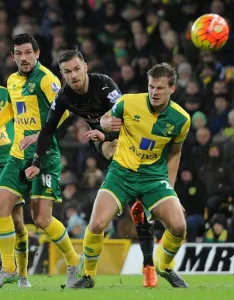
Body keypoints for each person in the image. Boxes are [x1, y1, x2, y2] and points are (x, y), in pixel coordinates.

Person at [25, 49, 158, 288]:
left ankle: (148, 261)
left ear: (85, 67)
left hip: (131, 137)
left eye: (77, 69)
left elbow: (129, 119)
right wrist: (36, 161)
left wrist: (106, 132)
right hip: (106, 141)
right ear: (62, 75)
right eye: (67, 72)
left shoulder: (104, 85)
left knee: (134, 192)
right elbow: (48, 129)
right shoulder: (65, 96)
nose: (73, 75)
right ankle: (125, 195)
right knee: (114, 153)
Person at [66, 62, 190, 288]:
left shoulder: (181, 120)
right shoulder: (128, 102)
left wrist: (171, 189)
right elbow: (104, 119)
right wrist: (107, 123)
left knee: (179, 227)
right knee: (95, 225)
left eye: (160, 88)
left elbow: (175, 154)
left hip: (153, 177)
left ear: (172, 89)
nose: (154, 92)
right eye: (152, 86)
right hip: (121, 173)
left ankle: (164, 266)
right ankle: (89, 275)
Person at [0, 34, 82, 288]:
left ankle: (73, 259)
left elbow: (66, 109)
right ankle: (9, 269)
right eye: (18, 53)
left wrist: (40, 135)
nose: (23, 58)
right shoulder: (12, 81)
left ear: (36, 54)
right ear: (13, 56)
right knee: (1, 206)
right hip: (16, 156)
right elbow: (11, 111)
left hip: (45, 156)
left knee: (42, 219)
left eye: (27, 52)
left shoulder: (47, 79)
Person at [0, 86, 31, 288]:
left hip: (8, 163)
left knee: (18, 222)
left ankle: (22, 275)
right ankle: (7, 268)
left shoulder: (6, 93)